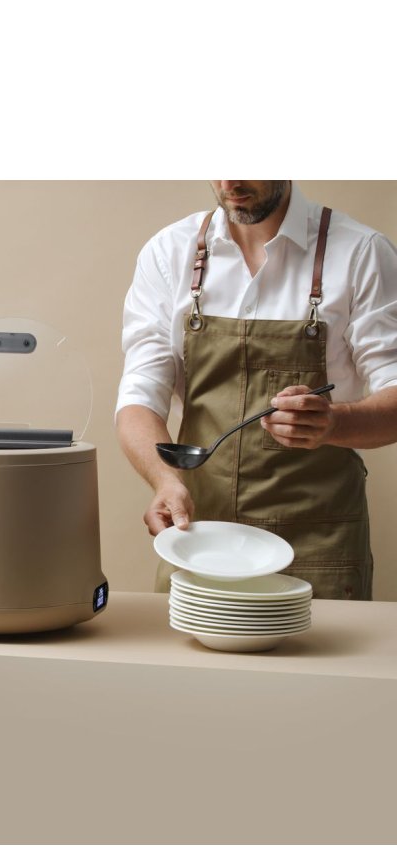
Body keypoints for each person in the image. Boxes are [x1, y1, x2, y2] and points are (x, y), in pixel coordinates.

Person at [117, 181, 397, 599]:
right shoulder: (168, 252)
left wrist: (334, 423)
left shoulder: (362, 253)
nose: (230, 182)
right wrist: (166, 482)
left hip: (318, 544)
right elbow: (139, 398)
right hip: (201, 539)